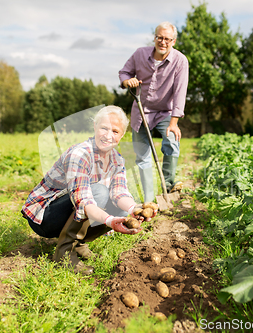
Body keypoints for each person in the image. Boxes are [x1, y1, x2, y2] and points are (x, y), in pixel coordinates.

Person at [21, 105, 156, 275]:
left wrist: (134, 209)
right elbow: (83, 200)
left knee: (119, 205)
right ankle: (64, 251)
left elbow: (119, 192)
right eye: (104, 128)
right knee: (99, 192)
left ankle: (79, 244)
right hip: (44, 216)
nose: (108, 135)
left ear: (121, 136)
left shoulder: (117, 160)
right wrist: (109, 221)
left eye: (115, 131)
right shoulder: (80, 154)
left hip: (72, 208)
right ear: (95, 127)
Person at [119, 21, 189, 203]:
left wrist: (174, 123)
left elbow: (180, 92)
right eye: (159, 37)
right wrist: (128, 82)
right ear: (155, 38)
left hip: (165, 112)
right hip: (141, 112)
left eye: (167, 39)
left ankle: (169, 185)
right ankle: (150, 200)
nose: (162, 42)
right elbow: (124, 73)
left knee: (172, 141)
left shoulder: (180, 61)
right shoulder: (140, 54)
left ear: (173, 41)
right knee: (142, 157)